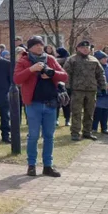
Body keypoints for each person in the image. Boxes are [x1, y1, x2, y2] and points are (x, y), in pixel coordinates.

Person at [15, 37, 67, 177]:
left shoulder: (49, 59)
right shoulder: (24, 61)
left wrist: (52, 74)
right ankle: (31, 165)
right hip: (33, 104)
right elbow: (17, 79)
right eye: (36, 45)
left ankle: (47, 166)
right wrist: (31, 69)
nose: (39, 47)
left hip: (50, 103)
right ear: (30, 47)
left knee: (49, 136)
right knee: (33, 136)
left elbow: (65, 76)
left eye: (41, 45)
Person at [63, 40, 106, 142]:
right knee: (76, 113)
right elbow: (66, 74)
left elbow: (100, 74)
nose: (85, 49)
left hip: (91, 90)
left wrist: (103, 87)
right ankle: (75, 133)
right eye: (83, 48)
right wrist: (67, 87)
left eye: (87, 48)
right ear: (78, 48)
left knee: (89, 113)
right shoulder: (72, 60)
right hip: (77, 90)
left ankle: (87, 132)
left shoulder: (94, 60)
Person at [92, 51, 108, 135]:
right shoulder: (94, 68)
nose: (105, 59)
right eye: (103, 58)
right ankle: (94, 128)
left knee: (105, 112)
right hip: (98, 94)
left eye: (106, 58)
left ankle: (104, 128)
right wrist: (102, 85)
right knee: (97, 112)